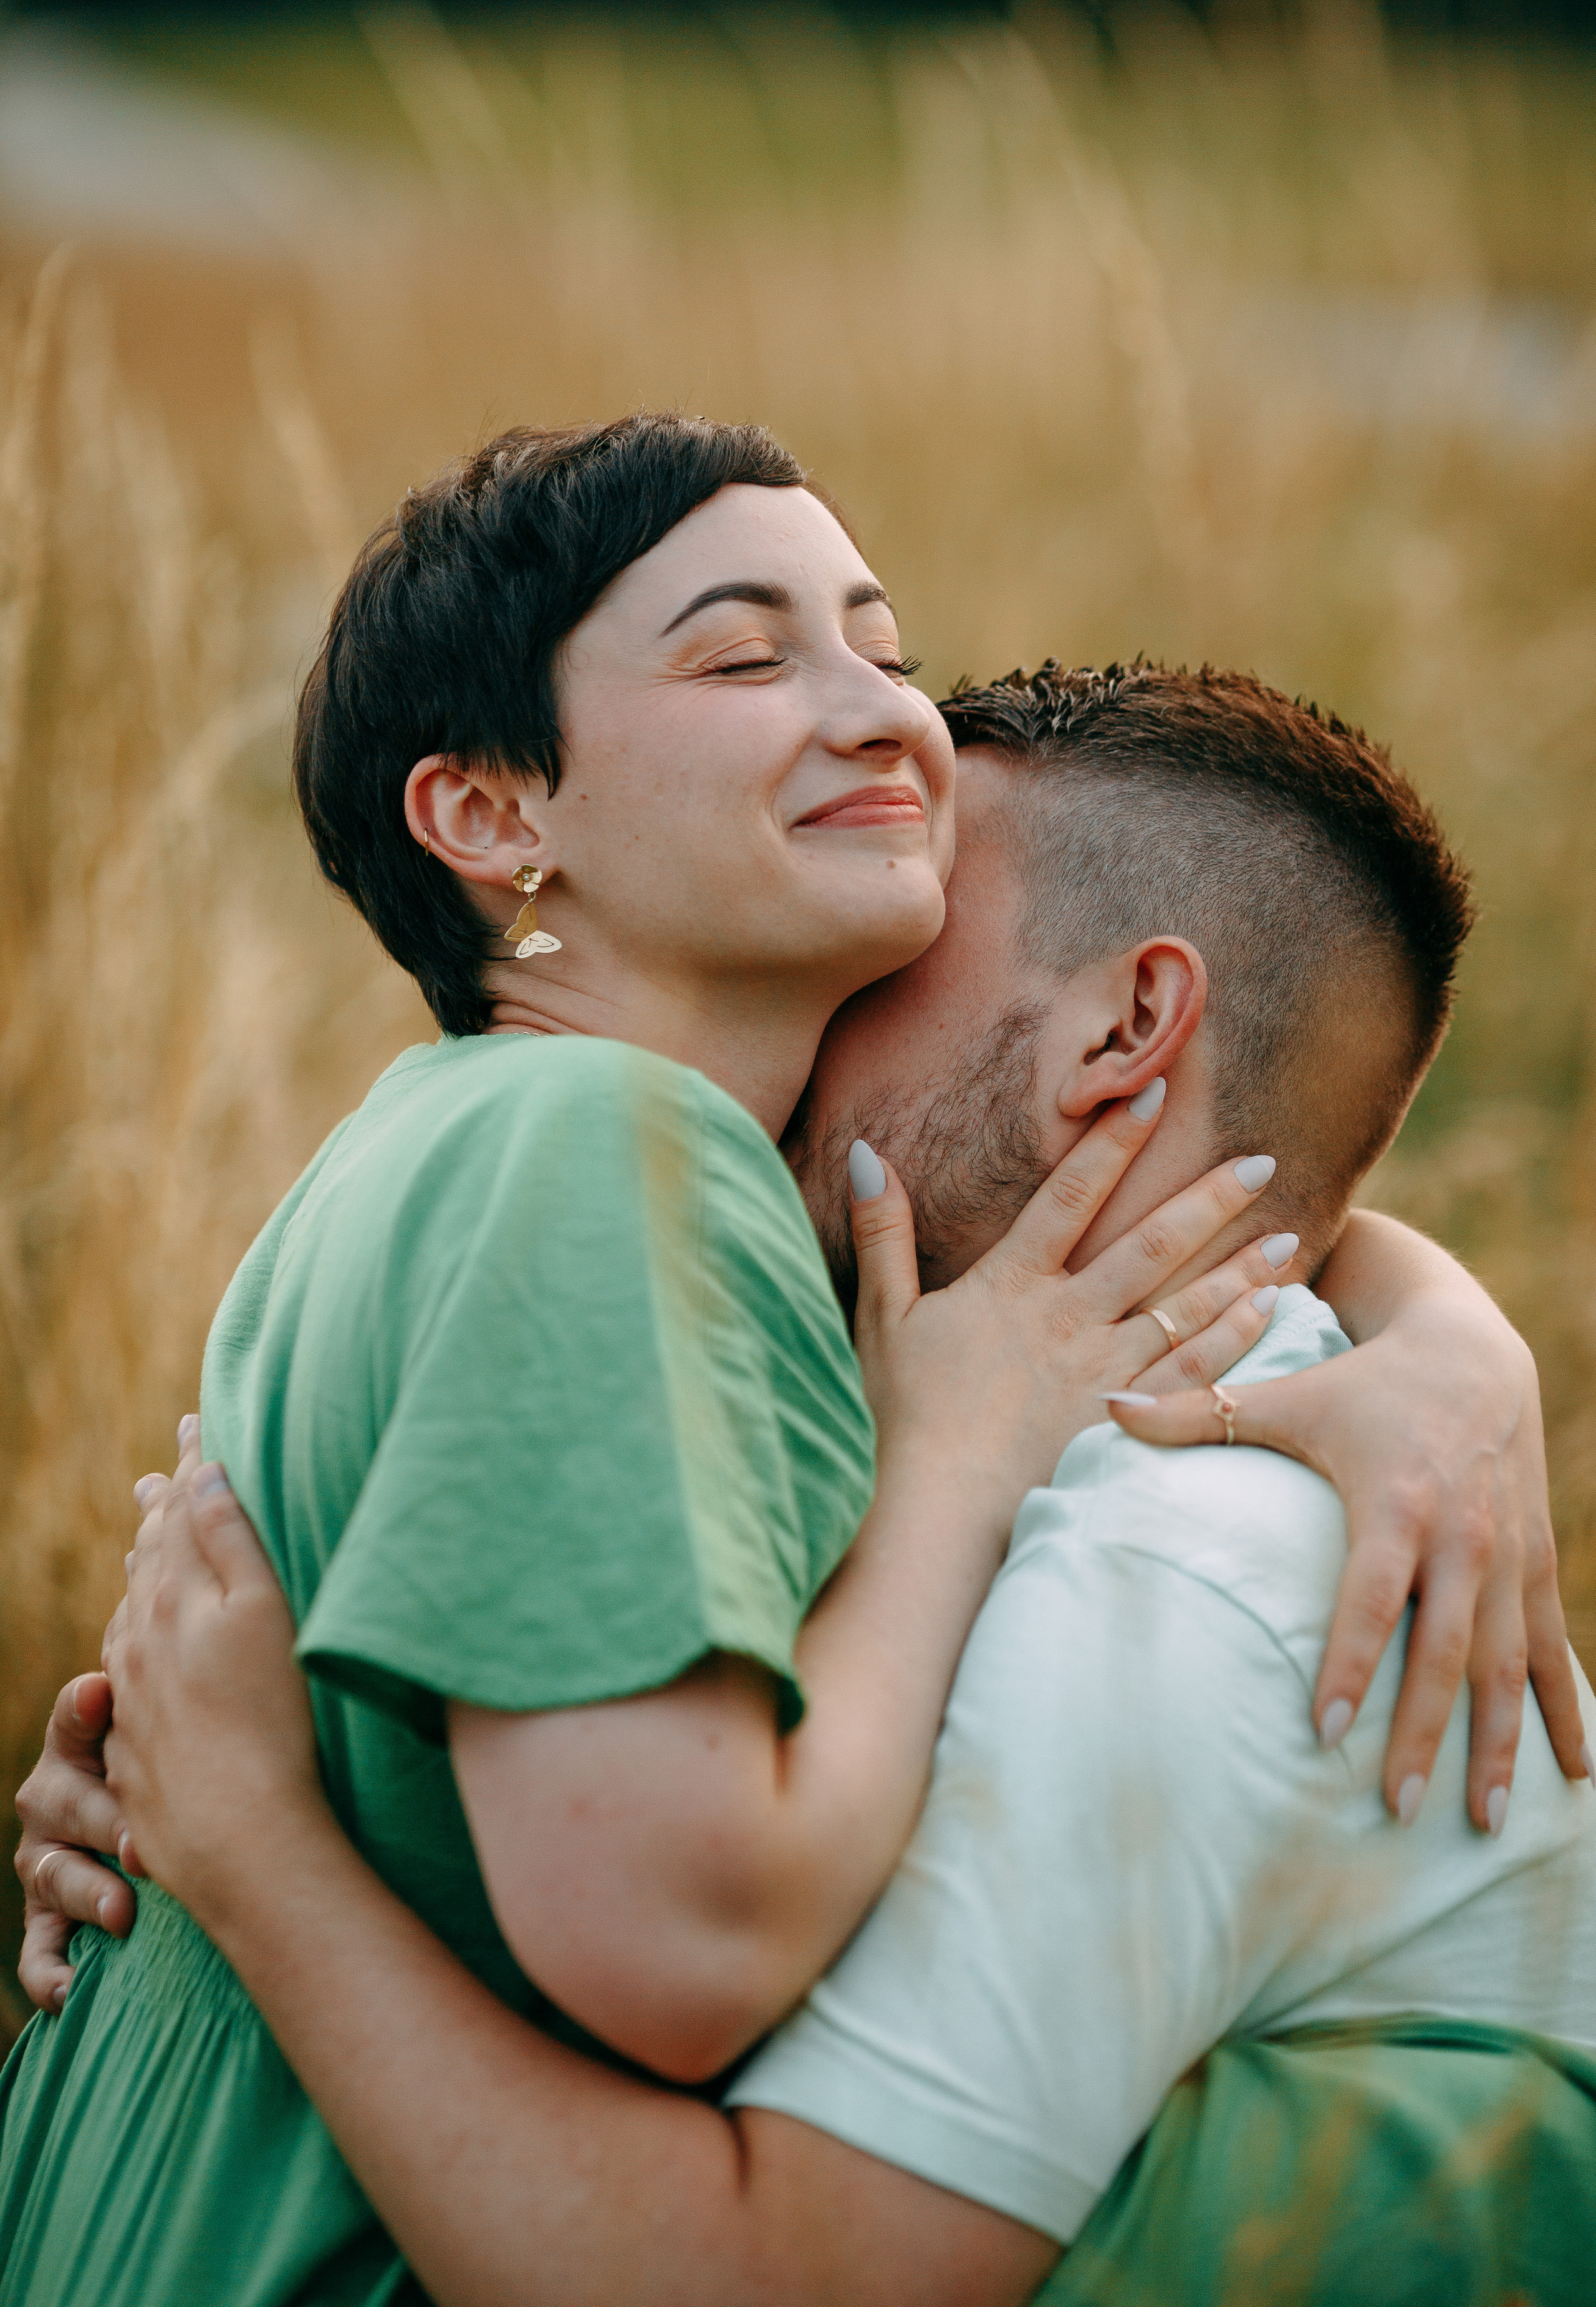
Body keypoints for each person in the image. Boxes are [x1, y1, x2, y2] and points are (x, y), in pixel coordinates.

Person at [4, 419, 1587, 2291]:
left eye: (886, 652)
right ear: (496, 818)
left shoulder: (546, 1167)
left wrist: (1446, 1343)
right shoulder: (607, 1161)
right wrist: (241, 1832)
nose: (884, 725)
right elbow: (687, 1947)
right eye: (748, 657)